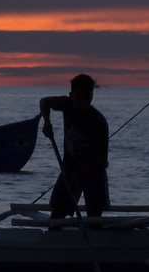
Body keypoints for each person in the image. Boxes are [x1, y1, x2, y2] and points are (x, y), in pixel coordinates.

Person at [40, 73, 109, 219]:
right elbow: (44, 102)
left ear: (91, 97)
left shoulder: (99, 122)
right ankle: (55, 238)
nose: (81, 104)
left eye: (86, 99)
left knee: (94, 217)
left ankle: (96, 236)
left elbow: (102, 160)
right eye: (78, 99)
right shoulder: (66, 105)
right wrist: (47, 121)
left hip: (93, 173)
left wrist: (81, 174)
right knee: (58, 213)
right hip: (70, 170)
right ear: (71, 95)